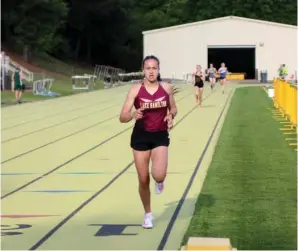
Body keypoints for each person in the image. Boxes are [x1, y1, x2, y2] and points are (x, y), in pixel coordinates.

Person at [119, 55, 178, 229]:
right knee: (143, 179)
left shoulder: (166, 88)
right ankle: (148, 214)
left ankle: (160, 181)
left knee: (158, 175)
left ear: (159, 70)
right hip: (140, 137)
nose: (151, 71)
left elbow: (173, 108)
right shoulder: (135, 90)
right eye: (148, 68)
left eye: (154, 68)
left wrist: (170, 115)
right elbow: (122, 117)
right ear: (143, 70)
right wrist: (132, 115)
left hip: (160, 135)